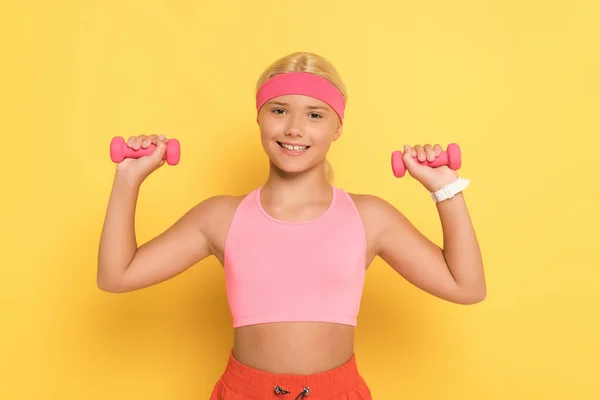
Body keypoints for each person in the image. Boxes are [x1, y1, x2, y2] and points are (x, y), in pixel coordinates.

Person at [97, 51, 486, 400]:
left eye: (315, 115)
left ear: (337, 128)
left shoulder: (370, 217)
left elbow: (465, 287)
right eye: (279, 110)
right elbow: (117, 275)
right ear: (260, 118)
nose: (294, 128)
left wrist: (445, 188)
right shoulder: (220, 217)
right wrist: (128, 179)